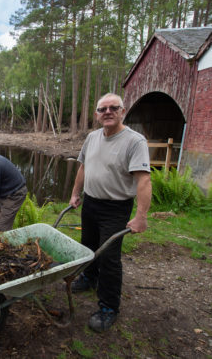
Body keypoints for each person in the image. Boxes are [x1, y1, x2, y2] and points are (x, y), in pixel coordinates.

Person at [68, 93, 152, 333]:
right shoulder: (92, 137)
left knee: (109, 257)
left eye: (113, 108)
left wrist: (141, 216)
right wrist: (75, 194)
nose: (107, 112)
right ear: (96, 114)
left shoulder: (134, 141)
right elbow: (84, 166)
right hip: (91, 203)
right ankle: (89, 277)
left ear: (122, 111)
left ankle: (108, 308)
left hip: (116, 208)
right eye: (102, 109)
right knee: (88, 246)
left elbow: (143, 180)